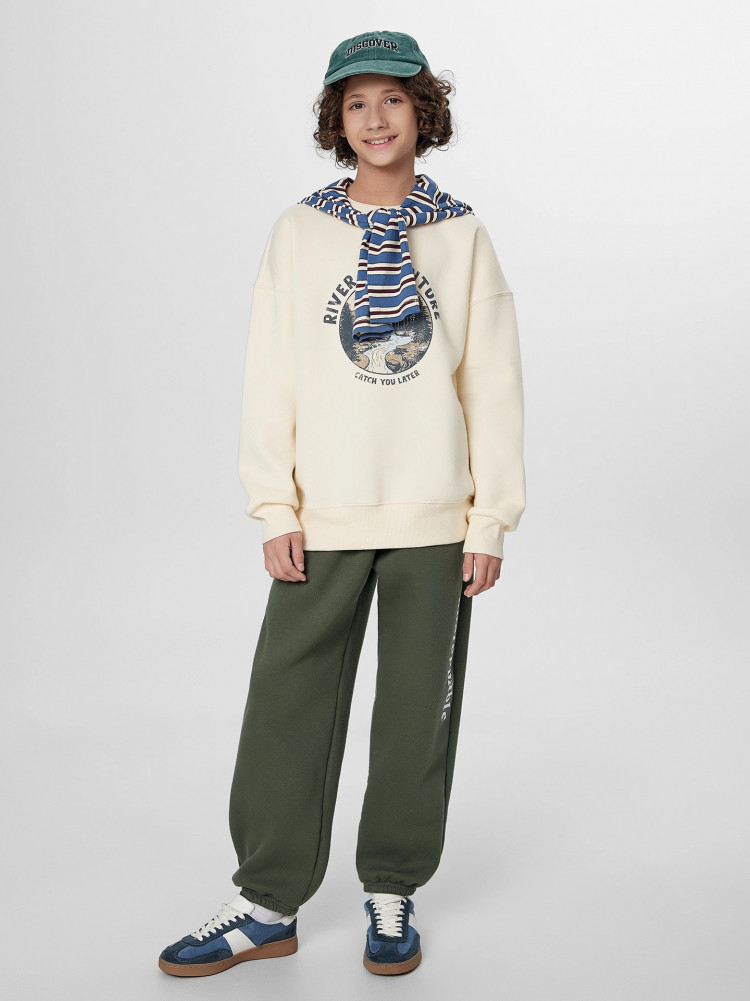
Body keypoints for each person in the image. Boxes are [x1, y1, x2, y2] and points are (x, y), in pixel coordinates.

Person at [158, 28, 526, 979]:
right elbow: (271, 372)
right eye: (356, 103)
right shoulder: (300, 232)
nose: (375, 118)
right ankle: (266, 900)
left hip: (435, 517)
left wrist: (490, 516)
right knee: (288, 700)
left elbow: (491, 382)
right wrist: (274, 507)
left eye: (393, 99)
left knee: (416, 713)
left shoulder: (461, 236)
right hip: (323, 513)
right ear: (336, 120)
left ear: (423, 112)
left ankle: (392, 884)